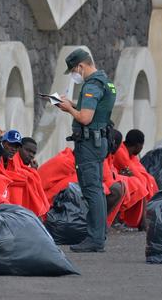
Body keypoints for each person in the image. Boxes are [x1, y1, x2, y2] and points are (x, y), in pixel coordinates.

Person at [56, 48, 117, 252]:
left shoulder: (92, 84)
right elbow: (92, 110)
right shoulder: (105, 81)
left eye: (74, 70)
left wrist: (69, 110)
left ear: (81, 66)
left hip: (90, 144)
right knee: (96, 190)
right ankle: (99, 234)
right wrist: (70, 104)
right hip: (98, 142)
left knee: (92, 190)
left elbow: (85, 118)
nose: (75, 74)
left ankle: (95, 239)